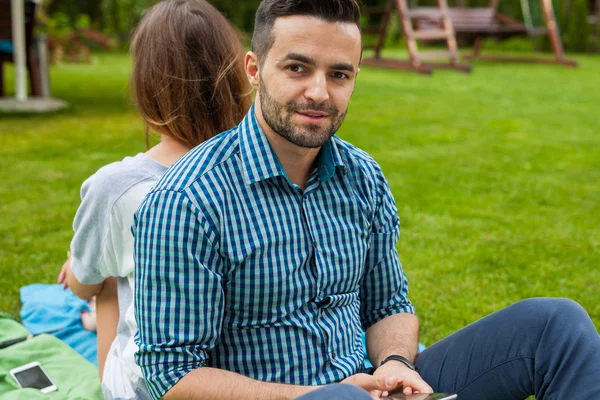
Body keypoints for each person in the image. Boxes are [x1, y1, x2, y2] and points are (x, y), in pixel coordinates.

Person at [132, 0, 600, 399]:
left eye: (339, 74)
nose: (319, 92)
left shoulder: (362, 176)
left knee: (556, 325)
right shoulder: (186, 201)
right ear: (254, 69)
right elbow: (171, 378)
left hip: (369, 386)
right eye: (297, 67)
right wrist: (323, 395)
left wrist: (395, 363)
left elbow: (388, 303)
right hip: (294, 395)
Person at [56, 1, 252, 399]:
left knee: (106, 276)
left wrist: (75, 266)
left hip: (162, 384)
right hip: (250, 372)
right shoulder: (259, 165)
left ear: (147, 86)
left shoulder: (117, 186)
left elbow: (80, 285)